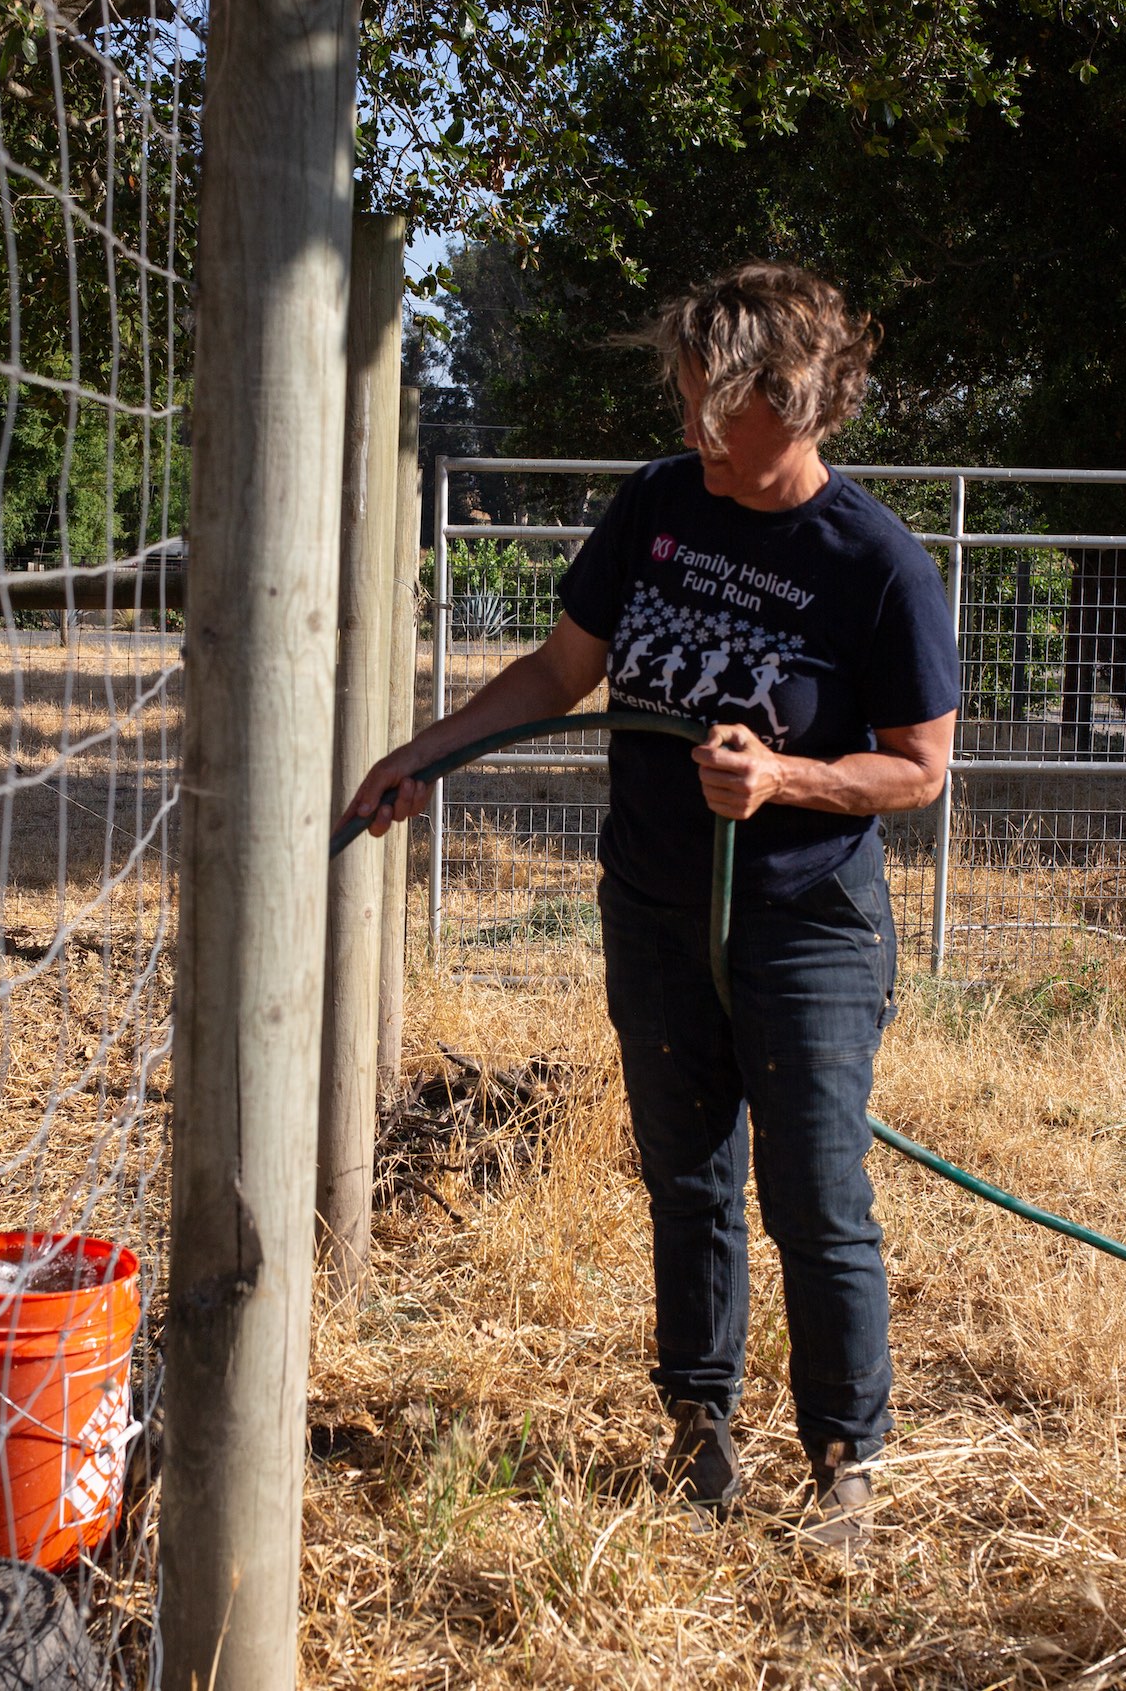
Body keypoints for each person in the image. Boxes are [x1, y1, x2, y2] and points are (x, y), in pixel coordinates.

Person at [347, 262, 959, 1551]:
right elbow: (563, 670)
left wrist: (782, 774)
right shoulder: (660, 507)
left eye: (718, 406)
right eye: (686, 400)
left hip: (804, 929)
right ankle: (701, 1426)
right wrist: (428, 752)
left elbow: (917, 767)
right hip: (654, 905)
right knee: (686, 1178)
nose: (694, 431)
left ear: (800, 404)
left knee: (814, 1194)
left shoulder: (880, 567)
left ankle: (845, 1463)